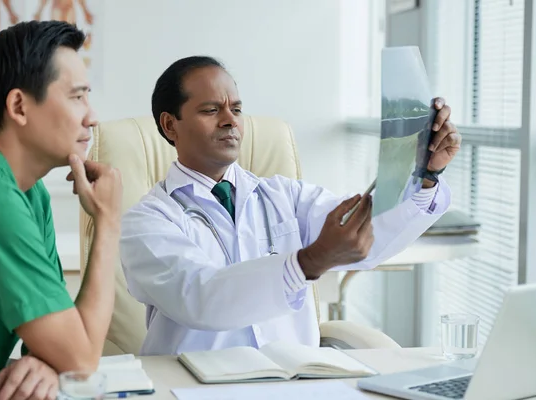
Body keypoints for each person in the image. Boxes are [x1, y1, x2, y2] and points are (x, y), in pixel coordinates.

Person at [119, 56, 462, 356]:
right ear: (169, 125)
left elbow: (367, 238)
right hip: (192, 388)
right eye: (211, 110)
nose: (230, 120)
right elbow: (200, 296)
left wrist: (424, 173)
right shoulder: (147, 221)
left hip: (291, 385)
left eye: (236, 109)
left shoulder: (284, 196)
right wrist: (308, 262)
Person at [0, 21, 122, 399]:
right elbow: (82, 361)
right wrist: (108, 219)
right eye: (77, 97)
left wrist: (48, 359)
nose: (92, 117)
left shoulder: (27, 190)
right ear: (19, 106)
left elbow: (58, 340)